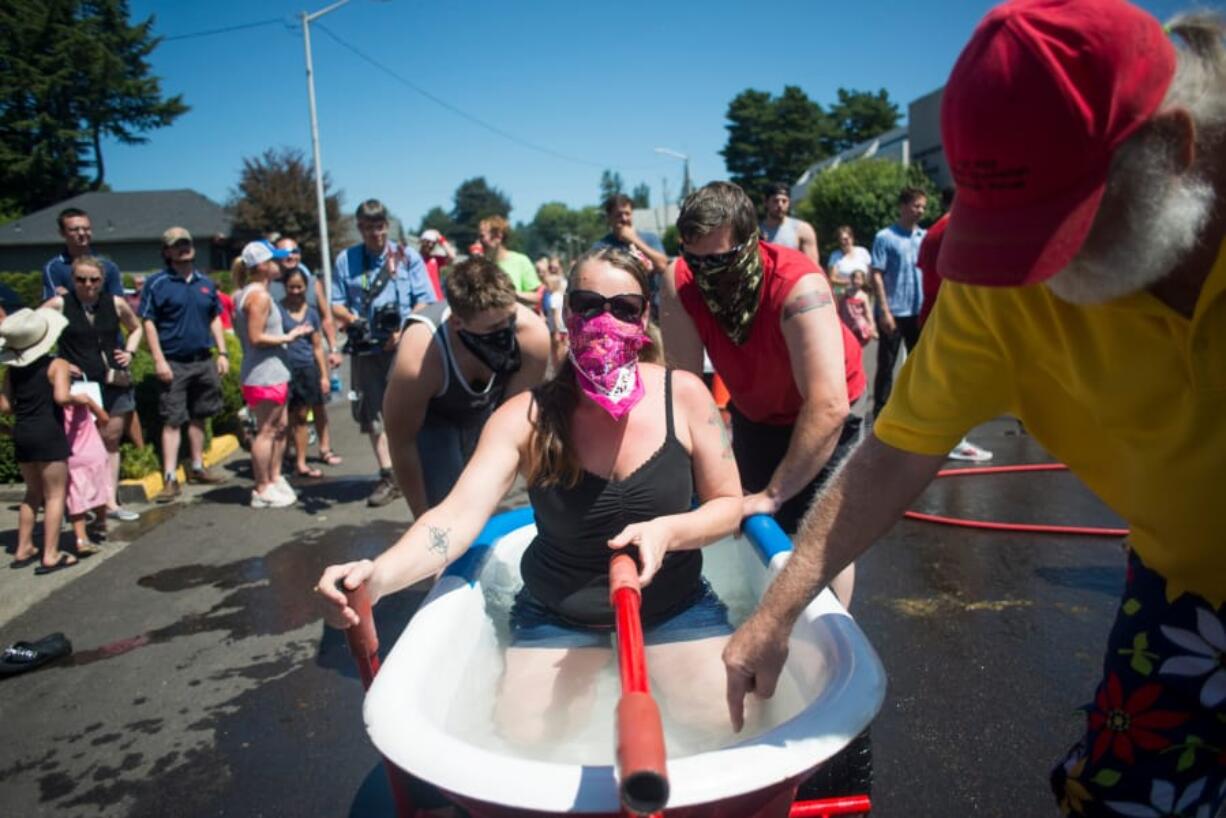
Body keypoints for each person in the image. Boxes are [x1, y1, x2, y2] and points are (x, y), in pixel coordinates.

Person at [721, 5, 1226, 816]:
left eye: (1061, 232)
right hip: (1187, 584)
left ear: (1173, 148)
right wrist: (776, 612)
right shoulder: (1006, 289)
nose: (1038, 273)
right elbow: (889, 455)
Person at [318, 245, 742, 755]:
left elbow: (729, 506)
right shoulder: (525, 416)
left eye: (624, 309)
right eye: (588, 304)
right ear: (565, 313)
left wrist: (667, 531)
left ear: (643, 316)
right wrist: (377, 577)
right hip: (558, 612)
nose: (605, 321)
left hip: (675, 606)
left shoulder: (686, 395)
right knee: (529, 742)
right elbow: (455, 518)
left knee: (720, 725)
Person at [660, 181, 866, 605]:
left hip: (826, 408)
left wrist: (774, 494)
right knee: (750, 522)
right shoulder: (680, 281)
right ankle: (766, 612)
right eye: (693, 258)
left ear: (751, 243)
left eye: (718, 260)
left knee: (821, 529)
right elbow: (684, 385)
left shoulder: (798, 286)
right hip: (755, 409)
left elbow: (828, 407)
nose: (705, 274)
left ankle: (835, 643)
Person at [382, 256, 550, 518]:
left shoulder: (531, 335)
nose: (507, 330)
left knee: (481, 502)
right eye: (495, 327)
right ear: (458, 323)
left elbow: (514, 421)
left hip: (487, 411)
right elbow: (401, 442)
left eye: (510, 318)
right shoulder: (419, 359)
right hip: (434, 419)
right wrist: (422, 516)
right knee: (445, 512)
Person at [331, 200, 437, 507]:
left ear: (387, 226)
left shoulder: (407, 257)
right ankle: (389, 475)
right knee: (373, 413)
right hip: (366, 349)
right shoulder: (346, 260)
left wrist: (403, 330)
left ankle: (419, 469)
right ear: (360, 227)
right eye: (368, 227)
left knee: (418, 406)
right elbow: (335, 303)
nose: (375, 233)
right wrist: (354, 320)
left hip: (403, 345)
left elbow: (425, 300)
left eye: (380, 227)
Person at [40, 256, 144, 522]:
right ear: (72, 279)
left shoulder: (116, 303)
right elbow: (34, 336)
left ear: (103, 280)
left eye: (94, 279)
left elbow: (136, 328)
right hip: (79, 386)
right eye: (81, 279)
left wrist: (130, 353)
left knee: (110, 440)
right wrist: (56, 361)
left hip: (113, 381)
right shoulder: (60, 304)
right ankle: (80, 502)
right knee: (79, 446)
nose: (88, 285)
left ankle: (109, 501)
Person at [0, 308, 102, 574]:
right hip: (48, 432)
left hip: (23, 432)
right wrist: (78, 397)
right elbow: (60, 398)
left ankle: (23, 548)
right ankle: (51, 554)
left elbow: (5, 406)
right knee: (55, 495)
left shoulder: (11, 372)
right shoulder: (56, 365)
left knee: (32, 493)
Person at [140, 227, 229, 503]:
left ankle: (198, 466)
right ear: (167, 252)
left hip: (203, 360)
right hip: (174, 363)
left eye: (187, 243)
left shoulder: (205, 282)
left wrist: (222, 352)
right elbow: (148, 322)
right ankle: (169, 477)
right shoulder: (158, 283)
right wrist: (159, 360)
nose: (184, 248)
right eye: (177, 245)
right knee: (173, 419)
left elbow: (215, 317)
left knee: (200, 415)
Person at [233, 241, 311, 509]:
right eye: (274, 260)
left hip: (272, 371)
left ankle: (274, 477)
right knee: (266, 431)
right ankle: (262, 487)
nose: (280, 263)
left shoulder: (246, 293)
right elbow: (255, 337)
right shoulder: (259, 297)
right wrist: (287, 336)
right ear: (262, 266)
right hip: (263, 374)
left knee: (279, 427)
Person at [915, 212, 993, 464]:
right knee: (954, 380)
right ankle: (951, 441)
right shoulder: (958, 225)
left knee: (940, 379)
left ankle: (941, 439)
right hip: (950, 314)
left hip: (935, 311)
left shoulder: (936, 229)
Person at [271, 237, 343, 467]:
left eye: (295, 251)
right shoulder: (270, 284)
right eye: (285, 253)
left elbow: (326, 317)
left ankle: (324, 448)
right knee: (290, 410)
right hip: (281, 359)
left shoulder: (312, 282)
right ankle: (291, 452)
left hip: (310, 356)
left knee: (318, 405)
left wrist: (333, 348)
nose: (291, 256)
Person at [869, 187, 928, 418]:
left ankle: (917, 408)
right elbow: (876, 274)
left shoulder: (924, 237)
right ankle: (879, 414)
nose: (920, 211)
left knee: (919, 364)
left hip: (918, 311)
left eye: (923, 206)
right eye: (916, 206)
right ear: (903, 207)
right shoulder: (885, 237)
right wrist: (884, 311)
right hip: (893, 310)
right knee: (886, 366)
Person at [277, 267, 331, 479]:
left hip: (307, 369)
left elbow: (317, 346)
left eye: (300, 287)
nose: (296, 291)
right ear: (285, 287)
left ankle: (301, 462)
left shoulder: (311, 313)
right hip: (284, 370)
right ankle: (284, 457)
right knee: (283, 419)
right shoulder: (278, 310)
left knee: (301, 416)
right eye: (291, 287)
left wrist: (324, 375)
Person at [42, 208, 124, 300]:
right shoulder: (54, 268)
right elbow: (53, 304)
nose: (81, 233)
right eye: (74, 229)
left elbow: (117, 303)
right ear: (62, 233)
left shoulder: (109, 267)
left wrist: (68, 296)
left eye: (86, 228)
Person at [590, 194, 669, 276]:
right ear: (609, 217)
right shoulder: (600, 247)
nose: (624, 218)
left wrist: (634, 240)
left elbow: (663, 266)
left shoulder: (651, 238)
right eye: (619, 215)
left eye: (627, 214)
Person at [478, 216, 542, 308]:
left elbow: (537, 297)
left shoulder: (520, 261)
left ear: (498, 236)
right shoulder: (479, 265)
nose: (479, 241)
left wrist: (512, 294)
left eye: (482, 236)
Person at [760, 182, 820, 264]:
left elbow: (813, 265)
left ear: (789, 203)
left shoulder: (802, 230)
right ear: (766, 202)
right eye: (775, 201)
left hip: (794, 275)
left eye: (784, 201)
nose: (780, 205)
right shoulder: (755, 232)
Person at [825, 225, 872, 295]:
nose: (845, 242)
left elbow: (871, 272)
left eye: (847, 239)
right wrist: (851, 282)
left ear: (852, 238)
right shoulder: (834, 256)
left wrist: (865, 285)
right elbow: (832, 278)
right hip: (842, 293)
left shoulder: (863, 252)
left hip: (863, 293)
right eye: (842, 239)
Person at [838, 269, 877, 347]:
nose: (856, 281)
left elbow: (868, 312)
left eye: (859, 279)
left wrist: (872, 325)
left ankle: (858, 350)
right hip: (847, 322)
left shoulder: (863, 296)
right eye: (854, 278)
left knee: (858, 340)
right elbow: (840, 305)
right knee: (847, 343)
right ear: (851, 279)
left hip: (858, 323)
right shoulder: (846, 293)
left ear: (863, 281)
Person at [417, 229, 453, 301]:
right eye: (428, 242)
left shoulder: (435, 260)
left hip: (437, 298)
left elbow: (452, 256)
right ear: (422, 242)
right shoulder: (415, 260)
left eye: (433, 243)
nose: (430, 245)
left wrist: (440, 238)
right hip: (422, 300)